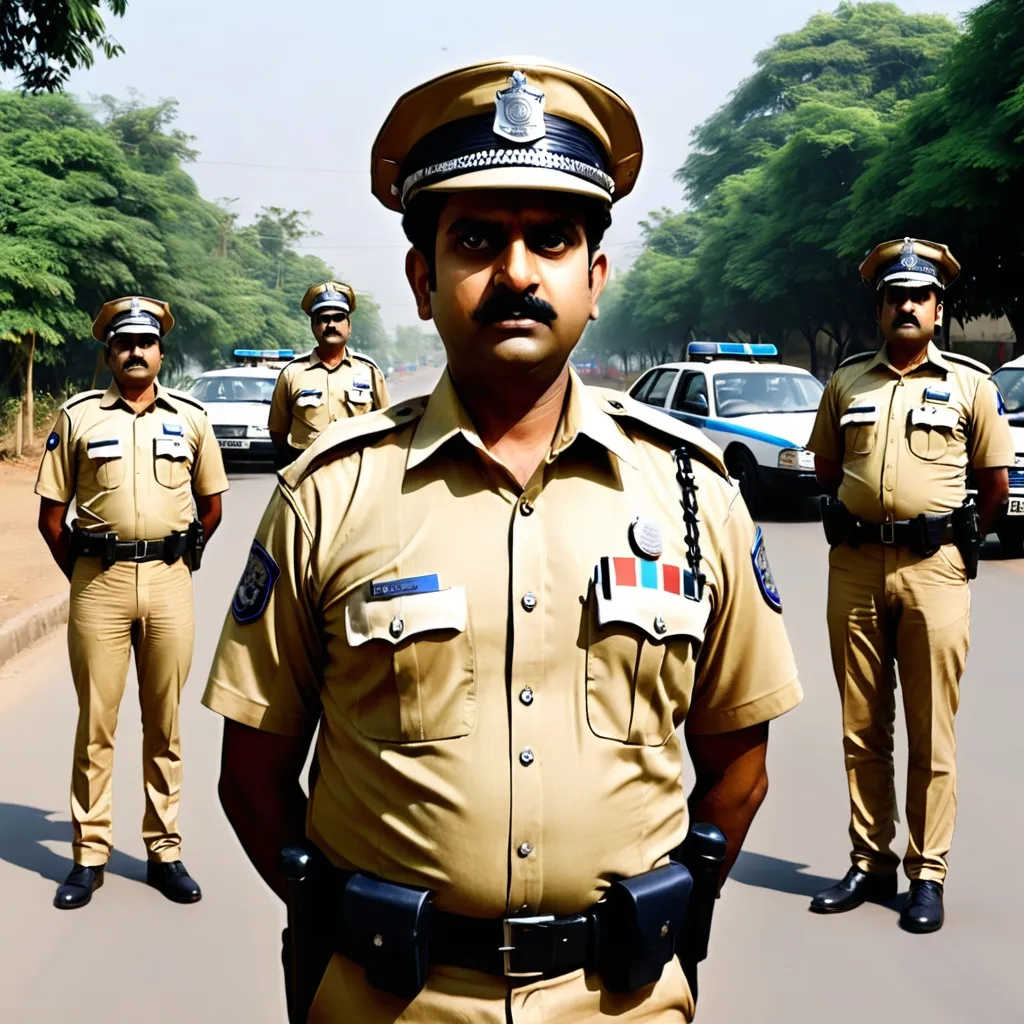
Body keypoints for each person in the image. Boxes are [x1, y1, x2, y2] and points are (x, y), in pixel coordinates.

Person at [203, 58, 802, 1023]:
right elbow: (253, 775)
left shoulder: (692, 491)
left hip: (624, 1001)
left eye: (552, 239)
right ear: (422, 276)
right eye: (477, 239)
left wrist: (660, 924)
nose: (517, 272)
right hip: (387, 1000)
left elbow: (739, 760)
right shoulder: (330, 493)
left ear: (595, 276)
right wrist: (344, 930)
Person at [807, 238, 1013, 932]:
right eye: (895, 296)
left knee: (932, 733)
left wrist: (953, 544)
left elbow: (992, 487)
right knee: (861, 727)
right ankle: (870, 862)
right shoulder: (846, 383)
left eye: (918, 297)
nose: (906, 306)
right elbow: (827, 471)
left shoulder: (970, 387)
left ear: (938, 308)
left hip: (935, 570)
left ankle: (928, 872)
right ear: (880, 307)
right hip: (856, 568)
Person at [35, 295, 228, 909]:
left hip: (170, 582)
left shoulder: (192, 418)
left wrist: (179, 558)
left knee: (165, 724)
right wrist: (86, 573)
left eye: (146, 342)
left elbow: (212, 504)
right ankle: (89, 856)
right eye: (124, 343)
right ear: (110, 353)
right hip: (99, 584)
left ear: (161, 353)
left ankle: (163, 850)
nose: (136, 351)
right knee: (97, 726)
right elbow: (50, 515)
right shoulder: (79, 419)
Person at [268, 282, 390, 463]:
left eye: (339, 317)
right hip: (307, 476)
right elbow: (278, 432)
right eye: (324, 319)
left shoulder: (369, 371)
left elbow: (386, 427)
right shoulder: (292, 373)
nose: (331, 325)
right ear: (313, 326)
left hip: (357, 476)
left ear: (349, 326)